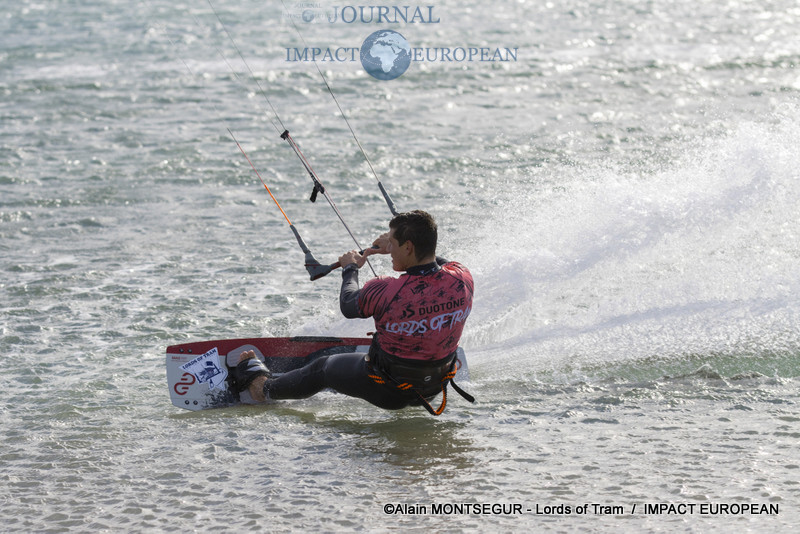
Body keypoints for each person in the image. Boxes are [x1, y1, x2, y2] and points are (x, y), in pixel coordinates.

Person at [234, 210, 474, 415]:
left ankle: (261, 389)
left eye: (393, 244)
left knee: (322, 368)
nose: (390, 250)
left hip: (388, 390)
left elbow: (349, 305)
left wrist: (350, 268)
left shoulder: (386, 290)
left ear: (408, 247)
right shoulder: (462, 278)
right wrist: (398, 244)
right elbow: (436, 261)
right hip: (432, 388)